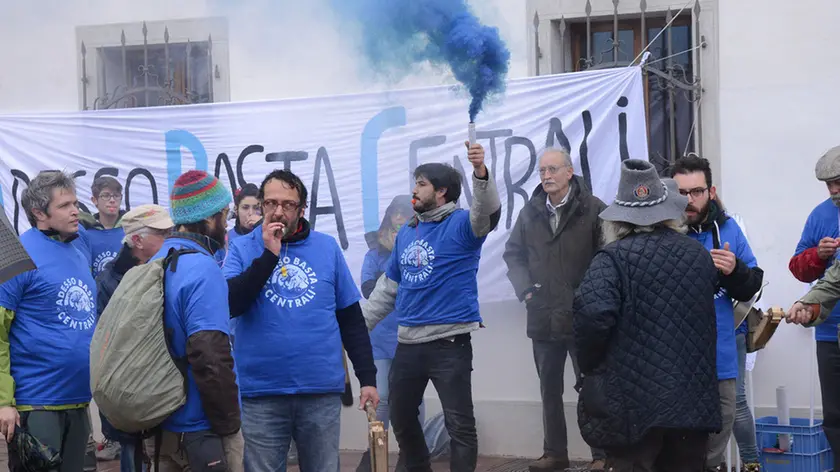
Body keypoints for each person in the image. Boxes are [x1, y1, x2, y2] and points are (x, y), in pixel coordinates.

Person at [223, 169, 378, 472]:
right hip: (261, 392)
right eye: (270, 203)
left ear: (302, 209)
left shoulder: (326, 247)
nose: (278, 211)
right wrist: (269, 254)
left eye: (288, 204)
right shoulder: (242, 248)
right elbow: (231, 304)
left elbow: (350, 319)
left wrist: (368, 378)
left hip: (319, 390)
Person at [573, 160, 721, 471]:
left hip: (633, 406)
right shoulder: (698, 255)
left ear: (618, 220)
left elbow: (592, 316)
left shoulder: (611, 260)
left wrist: (590, 367)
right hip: (691, 404)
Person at [364, 142, 501, 472]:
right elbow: (387, 289)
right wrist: (354, 329)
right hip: (408, 345)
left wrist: (480, 173)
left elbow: (489, 212)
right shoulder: (407, 233)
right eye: (415, 182)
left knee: (459, 425)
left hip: (449, 344)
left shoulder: (464, 225)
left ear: (441, 192)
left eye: (422, 184)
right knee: (401, 418)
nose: (414, 189)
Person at [503, 147, 607, 472]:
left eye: (552, 170)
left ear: (569, 171)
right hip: (543, 316)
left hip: (583, 319)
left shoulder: (593, 209)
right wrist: (526, 292)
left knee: (592, 389)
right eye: (542, 171)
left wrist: (594, 297)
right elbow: (513, 254)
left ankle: (601, 455)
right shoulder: (530, 212)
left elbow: (608, 256)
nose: (546, 176)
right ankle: (554, 454)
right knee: (549, 390)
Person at [0, 171, 98, 471]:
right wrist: (4, 401)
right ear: (39, 213)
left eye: (76, 203)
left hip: (79, 401)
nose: (75, 211)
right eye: (65, 205)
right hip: (37, 403)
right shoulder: (20, 254)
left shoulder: (79, 250)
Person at [671, 155, 764, 471]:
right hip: (675, 360)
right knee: (681, 446)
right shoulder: (661, 232)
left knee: (719, 439)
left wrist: (734, 270)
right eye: (681, 192)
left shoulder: (728, 229)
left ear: (710, 192)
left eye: (696, 191)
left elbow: (753, 285)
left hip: (721, 356)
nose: (689, 200)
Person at [151, 170, 243, 472]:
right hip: (201, 427)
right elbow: (210, 355)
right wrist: (229, 427)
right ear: (208, 219)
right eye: (224, 214)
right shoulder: (203, 269)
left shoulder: (157, 260)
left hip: (163, 424)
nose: (227, 222)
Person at [357, 195, 434, 472]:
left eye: (405, 214)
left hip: (411, 334)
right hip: (379, 336)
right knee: (385, 395)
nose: (400, 219)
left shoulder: (421, 249)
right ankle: (375, 452)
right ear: (388, 218)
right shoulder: (374, 254)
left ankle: (410, 452)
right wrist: (396, 276)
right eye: (395, 215)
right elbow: (368, 290)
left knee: (414, 396)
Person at [95, 204, 174, 472]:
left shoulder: (170, 268)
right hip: (130, 390)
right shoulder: (109, 281)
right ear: (137, 240)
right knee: (133, 455)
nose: (169, 238)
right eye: (161, 233)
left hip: (166, 388)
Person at [788, 144, 840, 466]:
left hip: (819, 309)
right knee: (834, 414)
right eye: (829, 184)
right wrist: (817, 256)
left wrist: (809, 301)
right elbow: (797, 266)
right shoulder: (820, 215)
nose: (834, 189)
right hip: (828, 332)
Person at [226, 183, 261, 344]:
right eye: (245, 207)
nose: (251, 213)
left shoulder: (270, 237)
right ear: (236, 210)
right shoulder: (225, 239)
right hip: (233, 324)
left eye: (256, 208)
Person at [78, 176, 127, 279]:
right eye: (106, 195)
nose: (112, 200)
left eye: (116, 195)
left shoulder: (130, 228)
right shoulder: (86, 232)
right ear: (94, 200)